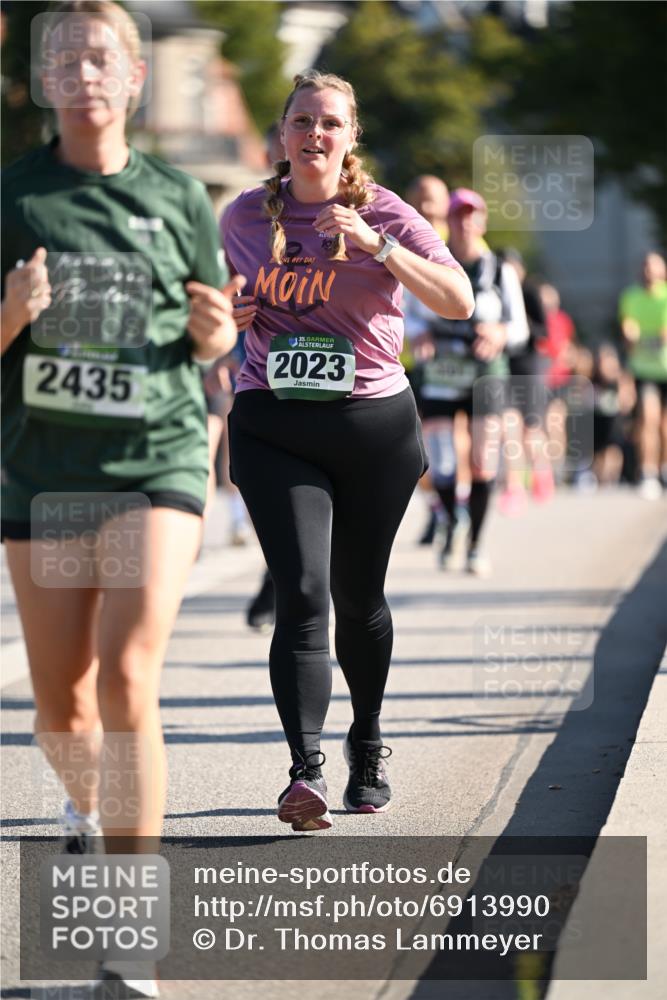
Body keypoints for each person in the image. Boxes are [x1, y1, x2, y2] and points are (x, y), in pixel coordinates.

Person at [1, 2, 240, 994]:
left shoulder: (180, 196)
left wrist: (217, 334)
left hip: (156, 459)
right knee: (62, 700)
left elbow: (213, 338)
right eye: (62, 56)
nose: (81, 71)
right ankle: (87, 807)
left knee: (126, 673)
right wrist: (10, 315)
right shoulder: (13, 194)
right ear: (42, 79)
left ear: (134, 77)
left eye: (99, 56)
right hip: (45, 470)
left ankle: (129, 929)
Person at [221, 70, 473, 831]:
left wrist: (380, 248)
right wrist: (225, 315)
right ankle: (305, 771)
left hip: (372, 427)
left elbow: (457, 300)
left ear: (350, 137)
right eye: (302, 121)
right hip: (272, 421)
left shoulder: (384, 211)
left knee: (358, 599)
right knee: (301, 592)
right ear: (282, 133)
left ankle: (367, 742)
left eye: (330, 123)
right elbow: (206, 310)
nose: (315, 135)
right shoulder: (240, 216)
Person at [406, 189, 529, 575]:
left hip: (485, 373)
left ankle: (475, 543)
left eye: (472, 215)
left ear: (483, 222)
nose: (465, 222)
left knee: (480, 459)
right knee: (440, 460)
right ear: (449, 219)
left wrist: (499, 334)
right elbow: (406, 310)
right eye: (458, 215)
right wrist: (418, 334)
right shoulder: (431, 260)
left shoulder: (500, 270)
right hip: (441, 370)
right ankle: (450, 519)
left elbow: (520, 328)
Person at [498, 248, 554, 515]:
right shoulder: (494, 291)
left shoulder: (530, 292)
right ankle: (514, 486)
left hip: (528, 364)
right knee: (509, 427)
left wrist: (519, 325)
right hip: (502, 364)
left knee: (531, 429)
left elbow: (544, 332)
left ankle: (541, 471)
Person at [619, 251, 667, 498]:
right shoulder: (631, 296)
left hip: (665, 368)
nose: (649, 271)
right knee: (648, 418)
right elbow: (629, 330)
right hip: (644, 370)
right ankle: (648, 472)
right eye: (645, 266)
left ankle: (663, 468)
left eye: (654, 266)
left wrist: (646, 336)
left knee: (664, 426)